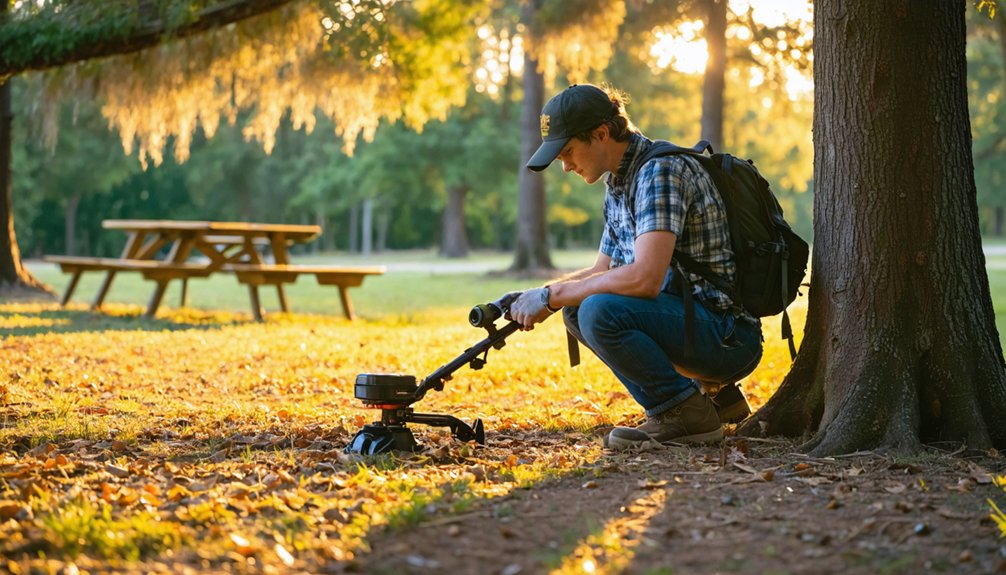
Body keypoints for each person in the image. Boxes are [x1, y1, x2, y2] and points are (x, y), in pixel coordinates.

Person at [508, 83, 763, 450]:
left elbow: (645, 278)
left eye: (567, 152)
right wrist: (538, 295)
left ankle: (683, 413)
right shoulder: (620, 183)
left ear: (601, 134)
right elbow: (601, 271)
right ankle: (713, 401)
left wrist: (553, 296)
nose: (565, 167)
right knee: (579, 308)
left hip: (728, 335)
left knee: (597, 310)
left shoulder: (659, 173)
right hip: (694, 326)